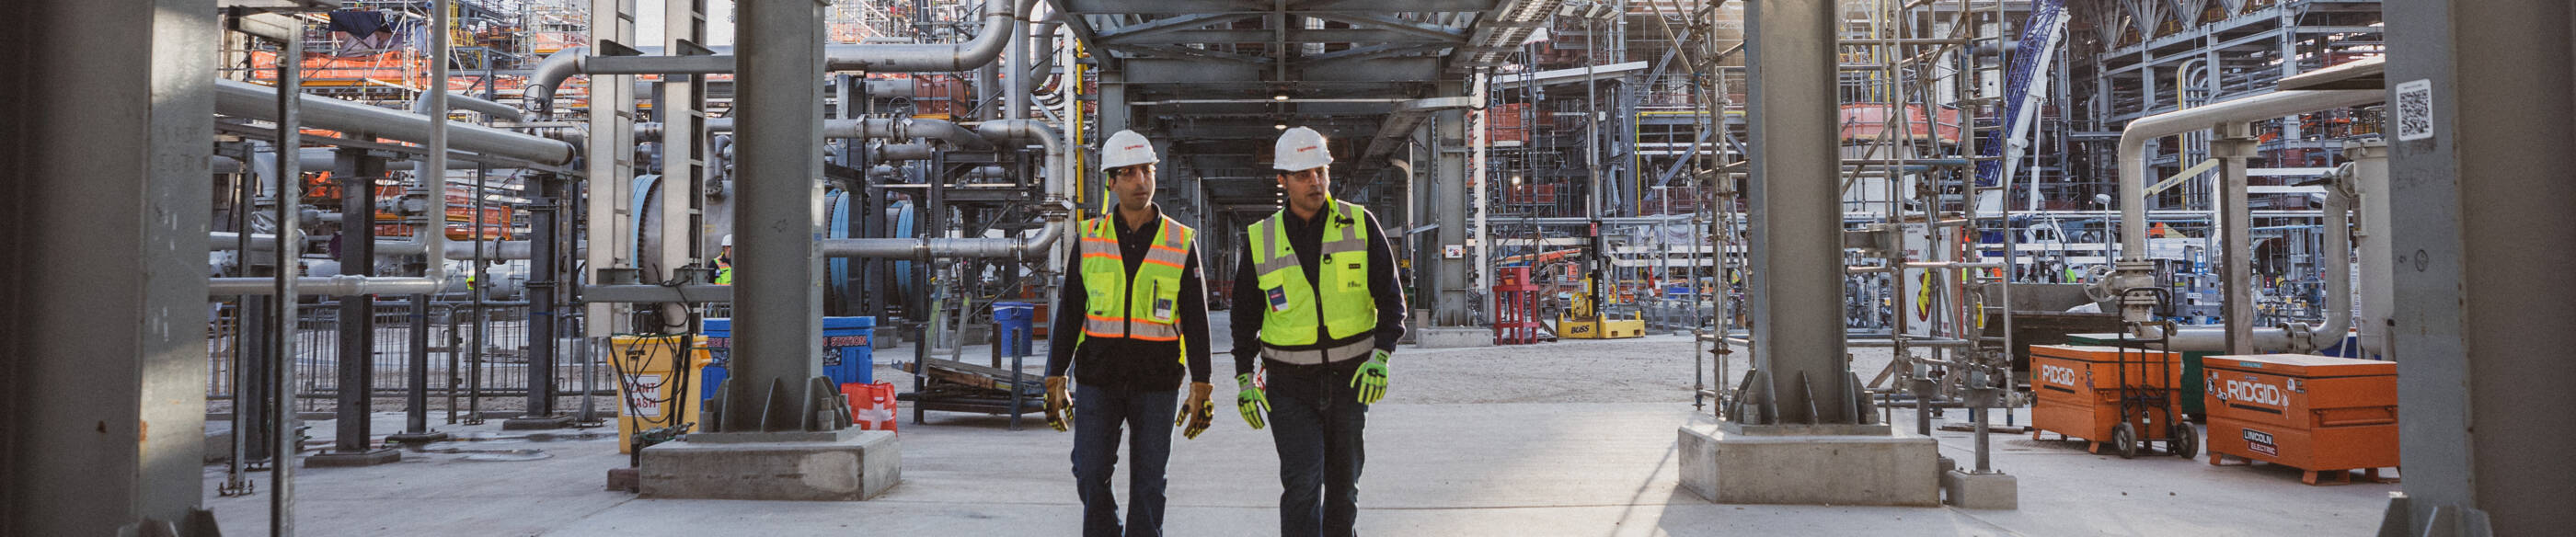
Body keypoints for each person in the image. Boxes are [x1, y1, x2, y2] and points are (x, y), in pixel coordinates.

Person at [1231, 126, 1408, 537]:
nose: (1315, 181)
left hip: (1351, 381)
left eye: (1320, 171)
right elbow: (1243, 318)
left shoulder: (1360, 224)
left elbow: (1391, 299)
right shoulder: (1261, 239)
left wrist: (1381, 356)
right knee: (1302, 485)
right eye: (1303, 174)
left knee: (1344, 489)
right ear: (1283, 180)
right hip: (1289, 386)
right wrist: (1243, 377)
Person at [1043, 130, 1215, 537]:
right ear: (1111, 182)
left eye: (1147, 170)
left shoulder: (1180, 240)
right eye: (1130, 172)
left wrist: (1202, 383)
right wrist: (1055, 375)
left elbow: (1196, 317)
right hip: (1097, 378)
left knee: (1150, 482)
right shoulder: (1089, 238)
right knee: (1088, 470)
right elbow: (1070, 312)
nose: (1141, 180)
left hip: (1157, 382)